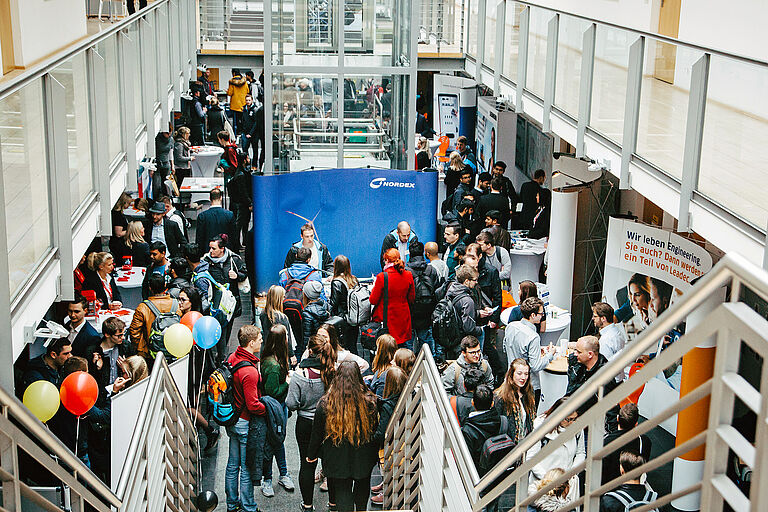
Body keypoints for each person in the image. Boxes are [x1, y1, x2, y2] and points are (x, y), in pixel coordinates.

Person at [307, 361, 380, 512]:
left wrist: (311, 455)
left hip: (336, 455)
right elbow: (374, 430)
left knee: (342, 490)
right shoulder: (370, 402)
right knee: (362, 486)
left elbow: (317, 434)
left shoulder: (326, 404)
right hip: (363, 454)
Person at [287, 334, 337, 512]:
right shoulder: (333, 371)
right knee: (330, 463)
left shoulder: (300, 375)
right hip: (330, 423)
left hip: (306, 424)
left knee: (307, 463)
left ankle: (308, 505)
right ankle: (332, 503)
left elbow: (291, 403)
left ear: (309, 350)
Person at [224, 325, 267, 512]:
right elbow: (253, 405)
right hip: (244, 422)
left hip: (232, 419)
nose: (261, 341)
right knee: (246, 467)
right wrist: (269, 409)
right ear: (251, 343)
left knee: (232, 465)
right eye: (259, 339)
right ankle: (249, 506)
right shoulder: (249, 372)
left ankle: (232, 504)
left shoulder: (233, 358)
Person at [260, 325, 296, 497]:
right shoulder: (274, 365)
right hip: (274, 409)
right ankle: (268, 479)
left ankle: (282, 474)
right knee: (273, 442)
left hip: (276, 408)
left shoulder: (275, 357)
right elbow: (273, 391)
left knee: (277, 440)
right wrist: (288, 382)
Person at [526, 397, 584, 502]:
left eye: (575, 419)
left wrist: (571, 473)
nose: (572, 423)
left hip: (566, 489)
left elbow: (581, 452)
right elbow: (530, 458)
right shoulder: (541, 428)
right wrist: (550, 479)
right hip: (542, 486)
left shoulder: (577, 428)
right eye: (568, 419)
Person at [204, 234, 248, 364]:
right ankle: (221, 355)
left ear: (222, 249)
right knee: (219, 330)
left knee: (227, 329)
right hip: (215, 304)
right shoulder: (206, 261)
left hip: (230, 303)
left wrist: (237, 275)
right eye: (210, 248)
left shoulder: (234, 259)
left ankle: (222, 355)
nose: (210, 251)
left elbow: (244, 273)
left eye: (213, 248)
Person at [503, 297, 555, 406]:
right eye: (541, 314)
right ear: (533, 315)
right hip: (527, 385)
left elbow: (505, 348)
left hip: (510, 378)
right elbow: (535, 366)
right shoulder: (533, 336)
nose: (542, 316)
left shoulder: (511, 326)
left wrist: (535, 351)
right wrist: (550, 355)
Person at [369, 366, 408, 505]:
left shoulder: (388, 405)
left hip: (391, 443)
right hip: (403, 438)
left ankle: (386, 491)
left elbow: (381, 432)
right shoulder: (407, 398)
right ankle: (385, 484)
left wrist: (371, 441)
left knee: (390, 466)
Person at [566, 336, 620, 433]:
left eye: (579, 352)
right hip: (572, 419)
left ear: (590, 354)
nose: (575, 354)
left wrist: (611, 439)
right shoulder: (579, 364)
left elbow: (611, 409)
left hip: (589, 427)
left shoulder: (604, 378)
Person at [370, 249, 415, 348]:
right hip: (403, 317)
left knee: (386, 347)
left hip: (386, 317)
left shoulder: (382, 277)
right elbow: (411, 298)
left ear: (386, 260)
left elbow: (373, 300)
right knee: (403, 346)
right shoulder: (408, 275)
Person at [129, 273, 178, 361]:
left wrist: (142, 348)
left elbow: (134, 332)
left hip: (150, 354)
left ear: (150, 288)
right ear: (165, 286)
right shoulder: (176, 304)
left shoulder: (143, 307)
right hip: (173, 350)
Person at [601, 403, 652, 485]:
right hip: (633, 486)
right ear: (636, 424)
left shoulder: (605, 442)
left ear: (617, 418)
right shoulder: (644, 441)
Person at [406, 242, 440, 358]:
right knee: (426, 343)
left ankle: (408, 368)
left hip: (410, 312)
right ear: (424, 254)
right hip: (427, 312)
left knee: (408, 345)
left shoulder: (406, 272)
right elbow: (437, 291)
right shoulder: (431, 270)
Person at [442, 265, 484, 359]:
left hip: (451, 336)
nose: (476, 282)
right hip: (461, 339)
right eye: (474, 280)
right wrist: (480, 329)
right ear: (466, 281)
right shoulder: (467, 301)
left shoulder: (451, 289)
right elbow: (469, 328)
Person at [494, 359, 536, 445]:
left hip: (526, 443)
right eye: (519, 373)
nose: (523, 377)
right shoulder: (501, 397)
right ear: (511, 374)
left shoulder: (529, 392)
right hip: (509, 446)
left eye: (526, 374)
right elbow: (497, 425)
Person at [460, 385, 503, 470]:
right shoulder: (502, 420)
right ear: (492, 403)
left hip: (479, 474)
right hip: (498, 469)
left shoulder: (468, 430)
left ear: (472, 402)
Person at [86, 317, 135, 388]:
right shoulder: (92, 351)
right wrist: (97, 368)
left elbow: (136, 368)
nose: (123, 337)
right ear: (107, 335)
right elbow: (90, 378)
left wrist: (127, 367)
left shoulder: (126, 346)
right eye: (119, 336)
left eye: (123, 334)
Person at [328, 255, 360, 354]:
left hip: (341, 320)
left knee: (342, 349)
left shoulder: (336, 282)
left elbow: (333, 303)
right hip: (354, 318)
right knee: (353, 346)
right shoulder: (354, 279)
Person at [259, 285, 297, 365]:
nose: (284, 299)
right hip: (280, 353)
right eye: (283, 297)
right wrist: (292, 354)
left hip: (267, 349)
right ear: (278, 299)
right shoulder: (282, 318)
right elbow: (287, 338)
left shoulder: (263, 313)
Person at [301, 280, 329, 357]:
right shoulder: (326, 305)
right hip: (326, 347)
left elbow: (306, 337)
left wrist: (304, 354)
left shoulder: (306, 313)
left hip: (314, 349)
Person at [227, 69, 249, 134]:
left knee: (235, 122)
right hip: (243, 104)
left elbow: (230, 93)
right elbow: (247, 91)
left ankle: (236, 134)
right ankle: (243, 133)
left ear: (233, 73)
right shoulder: (244, 82)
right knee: (243, 120)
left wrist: (227, 91)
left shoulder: (232, 82)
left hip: (235, 105)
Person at [153, 131, 175, 200]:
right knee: (157, 185)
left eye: (170, 133)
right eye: (167, 133)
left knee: (167, 185)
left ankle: (167, 199)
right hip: (157, 164)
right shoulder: (157, 139)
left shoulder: (171, 140)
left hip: (166, 164)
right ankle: (158, 200)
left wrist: (172, 165)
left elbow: (170, 154)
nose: (168, 135)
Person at [240, 94, 260, 163]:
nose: (248, 102)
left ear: (252, 100)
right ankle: (247, 163)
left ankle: (254, 165)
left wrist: (251, 133)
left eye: (249, 100)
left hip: (254, 133)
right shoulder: (244, 109)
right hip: (245, 132)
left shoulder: (255, 109)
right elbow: (242, 120)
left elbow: (256, 123)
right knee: (245, 149)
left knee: (255, 149)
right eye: (246, 100)